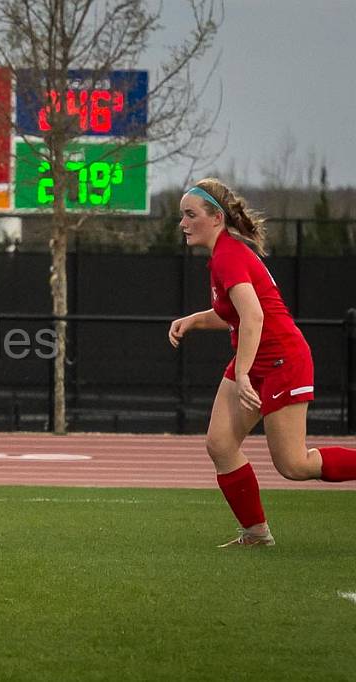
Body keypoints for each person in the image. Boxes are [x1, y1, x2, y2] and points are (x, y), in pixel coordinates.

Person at [169, 178, 356, 547]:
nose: (183, 223)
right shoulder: (223, 254)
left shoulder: (229, 255)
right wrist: (194, 319)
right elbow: (235, 314)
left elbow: (253, 318)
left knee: (294, 465)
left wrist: (242, 373)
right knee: (220, 444)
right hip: (255, 359)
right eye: (182, 216)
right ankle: (256, 533)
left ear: (217, 218)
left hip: (283, 360)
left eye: (190, 215)